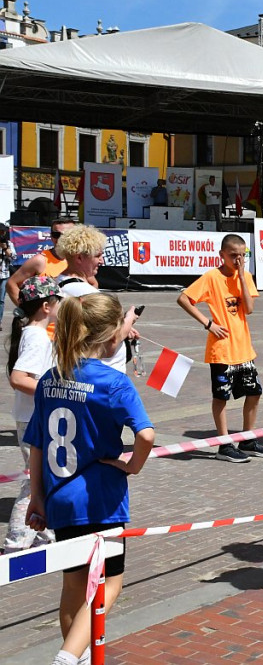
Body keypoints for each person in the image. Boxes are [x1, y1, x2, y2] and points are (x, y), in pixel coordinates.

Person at [23, 292, 155, 665]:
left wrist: (38, 497)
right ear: (114, 336)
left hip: (60, 495)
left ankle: (76, 654)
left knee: (73, 584)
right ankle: (67, 656)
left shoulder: (51, 378)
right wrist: (133, 466)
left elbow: (35, 442)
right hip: (100, 498)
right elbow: (145, 435)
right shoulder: (113, 382)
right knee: (110, 582)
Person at [177, 234, 263, 463]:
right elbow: (184, 299)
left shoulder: (245, 277)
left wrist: (241, 276)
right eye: (233, 256)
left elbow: (249, 309)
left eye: (242, 255)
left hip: (243, 347)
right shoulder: (212, 277)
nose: (238, 259)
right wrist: (208, 324)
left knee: (254, 392)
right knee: (221, 396)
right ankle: (223, 443)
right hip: (222, 349)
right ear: (222, 255)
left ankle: (248, 439)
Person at [4, 276, 61, 554]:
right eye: (58, 301)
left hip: (31, 417)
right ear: (47, 307)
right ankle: (15, 544)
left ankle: (44, 536)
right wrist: (53, 390)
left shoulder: (31, 332)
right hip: (34, 420)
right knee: (35, 481)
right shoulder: (37, 337)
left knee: (44, 478)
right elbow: (18, 378)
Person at [55, 225, 142, 373]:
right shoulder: (85, 292)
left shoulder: (60, 281)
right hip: (105, 373)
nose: (102, 261)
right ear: (79, 257)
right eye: (97, 256)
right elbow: (113, 341)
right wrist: (129, 319)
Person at [6, 218, 95, 307]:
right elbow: (11, 283)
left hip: (73, 318)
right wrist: (26, 311)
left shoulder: (79, 259)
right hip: (49, 319)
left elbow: (93, 283)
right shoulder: (40, 260)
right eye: (56, 234)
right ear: (51, 237)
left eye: (66, 235)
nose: (60, 238)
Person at [0, 223, 15, 328]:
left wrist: (5, 249)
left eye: (3, 231)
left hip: (4, 275)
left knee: (0, 300)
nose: (2, 233)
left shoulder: (9, 244)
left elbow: (13, 257)